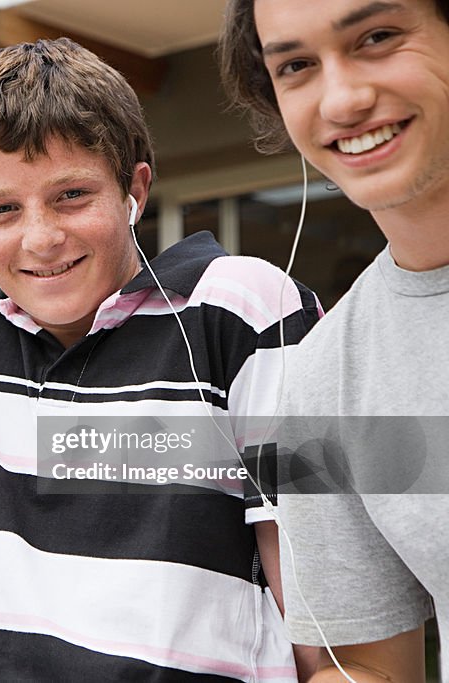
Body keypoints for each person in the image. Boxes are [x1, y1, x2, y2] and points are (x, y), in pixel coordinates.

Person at [0, 37, 321, 681]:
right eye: (3, 209)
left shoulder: (240, 307)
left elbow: (314, 597)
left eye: (72, 194)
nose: (41, 238)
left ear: (135, 188)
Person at [219, 0, 449, 680]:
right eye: (295, 66)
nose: (343, 99)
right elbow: (367, 669)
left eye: (377, 37)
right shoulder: (319, 376)